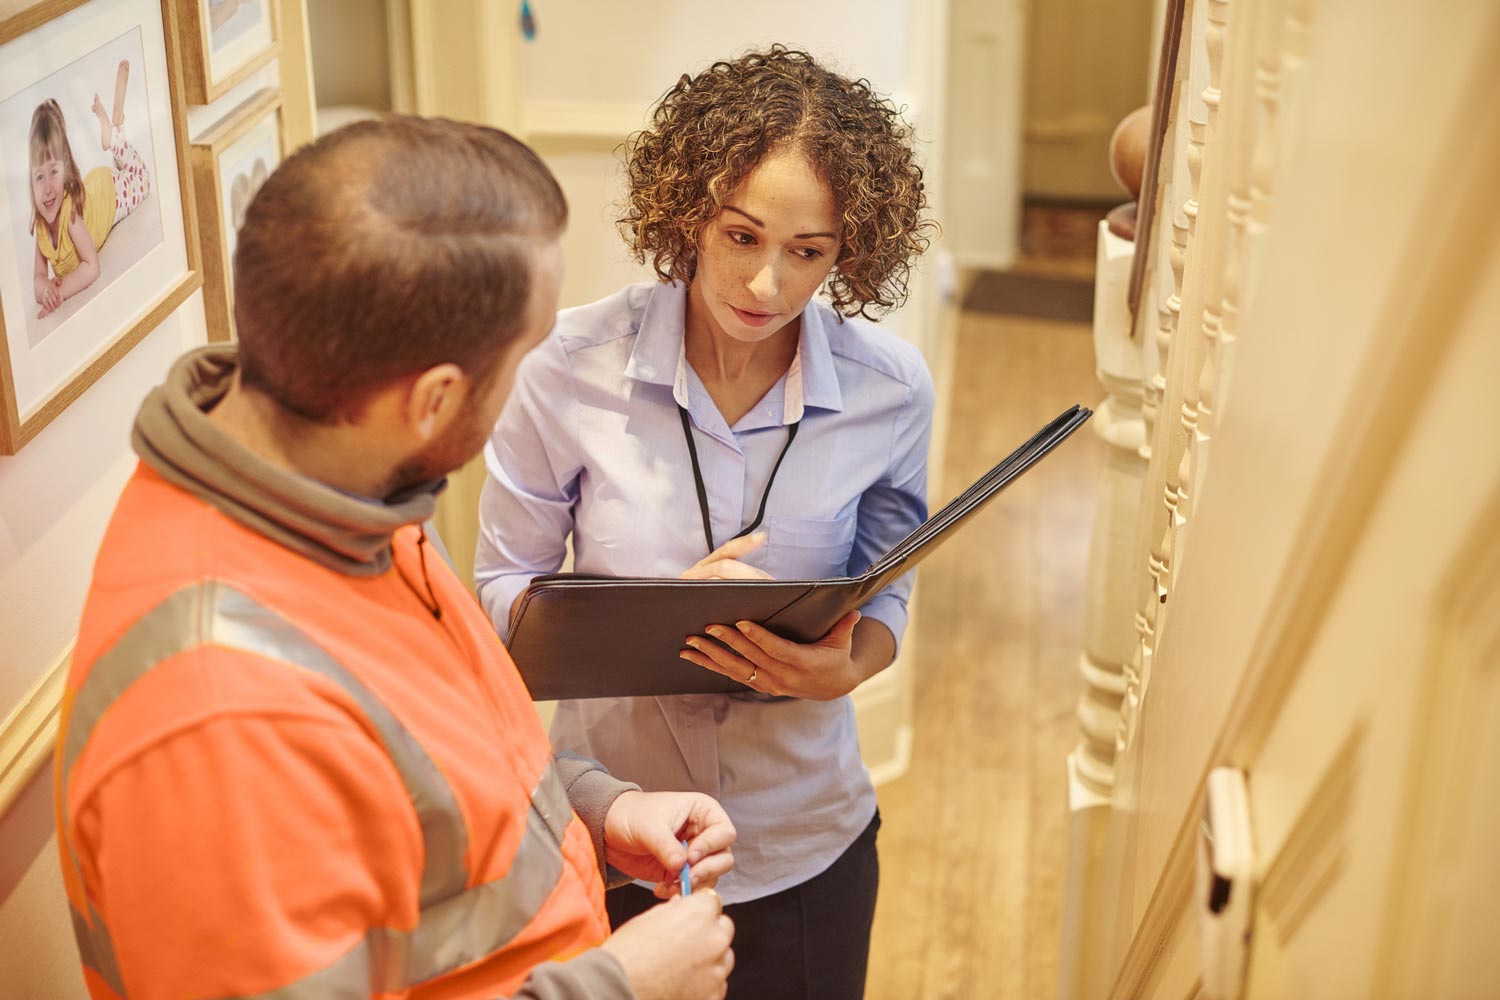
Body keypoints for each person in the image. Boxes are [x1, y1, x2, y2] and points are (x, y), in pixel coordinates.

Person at [53, 116, 737, 1000]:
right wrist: (621, 987)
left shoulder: (340, 486)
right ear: (433, 402)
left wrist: (595, 808)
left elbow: (419, 780)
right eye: (522, 358)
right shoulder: (218, 725)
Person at [475, 46, 936, 1000]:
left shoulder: (892, 393)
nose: (767, 285)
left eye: (809, 253)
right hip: (616, 833)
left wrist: (855, 663)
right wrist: (656, 616)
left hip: (807, 840)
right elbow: (497, 600)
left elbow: (891, 571)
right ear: (687, 209)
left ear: (852, 252)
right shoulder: (564, 371)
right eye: (740, 236)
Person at [30, 59, 151, 319]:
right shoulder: (41, 226)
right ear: (30, 180)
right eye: (40, 177)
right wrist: (46, 290)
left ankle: (113, 135)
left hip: (110, 195)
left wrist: (61, 293)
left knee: (141, 178)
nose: (48, 189)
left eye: (54, 172)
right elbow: (39, 278)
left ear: (65, 169)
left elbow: (91, 267)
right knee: (122, 167)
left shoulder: (69, 216)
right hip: (94, 190)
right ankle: (116, 121)